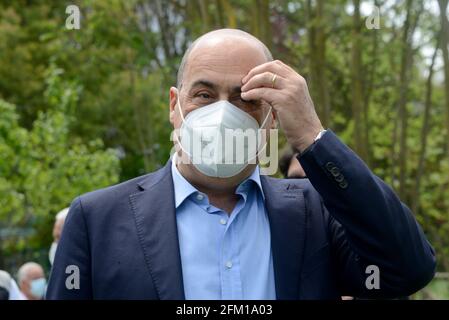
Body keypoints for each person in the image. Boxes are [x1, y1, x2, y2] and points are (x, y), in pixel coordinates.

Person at [47, 29, 435, 300]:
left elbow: (409, 268)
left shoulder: (315, 211)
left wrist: (313, 138)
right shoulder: (97, 219)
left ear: (272, 116)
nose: (222, 112)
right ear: (174, 106)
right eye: (203, 94)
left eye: (245, 98)